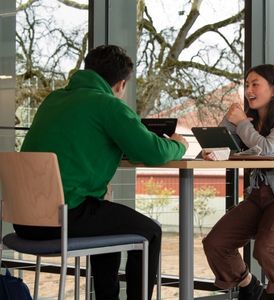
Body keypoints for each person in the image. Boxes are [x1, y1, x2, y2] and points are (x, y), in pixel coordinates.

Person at [17, 45, 188, 300]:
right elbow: (154, 152)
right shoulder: (107, 104)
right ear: (120, 85)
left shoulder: (53, 100)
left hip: (24, 220)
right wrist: (179, 145)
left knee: (106, 224)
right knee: (151, 231)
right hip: (63, 219)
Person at [202, 64, 274, 299]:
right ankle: (249, 286)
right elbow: (221, 144)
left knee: (266, 247)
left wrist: (242, 123)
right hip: (258, 198)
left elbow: (268, 150)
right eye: (246, 84)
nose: (248, 90)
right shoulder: (249, 118)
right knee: (216, 243)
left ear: (273, 89)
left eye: (255, 84)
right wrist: (225, 126)